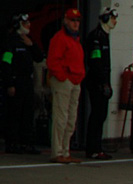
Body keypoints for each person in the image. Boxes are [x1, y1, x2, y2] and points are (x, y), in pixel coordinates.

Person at [0, 14, 44, 154]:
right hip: (16, 81)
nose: (29, 25)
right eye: (25, 23)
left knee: (28, 113)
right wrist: (9, 84)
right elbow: (6, 63)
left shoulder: (29, 41)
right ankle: (12, 143)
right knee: (14, 113)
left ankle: (27, 143)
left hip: (27, 81)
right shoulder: (10, 42)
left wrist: (32, 45)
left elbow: (39, 58)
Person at [47, 8, 85, 163]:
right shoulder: (59, 38)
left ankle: (65, 150)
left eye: (77, 21)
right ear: (66, 21)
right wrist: (63, 77)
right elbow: (52, 61)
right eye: (72, 20)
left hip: (75, 81)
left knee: (70, 119)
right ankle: (57, 152)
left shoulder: (75, 40)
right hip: (65, 81)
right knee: (61, 117)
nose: (75, 24)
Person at [83, 8, 117, 160]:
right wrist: (103, 83)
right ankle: (93, 148)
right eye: (112, 18)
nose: (115, 21)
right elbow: (95, 62)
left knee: (101, 115)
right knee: (97, 115)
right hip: (97, 82)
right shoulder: (96, 37)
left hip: (103, 81)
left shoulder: (104, 36)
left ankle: (96, 147)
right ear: (104, 19)